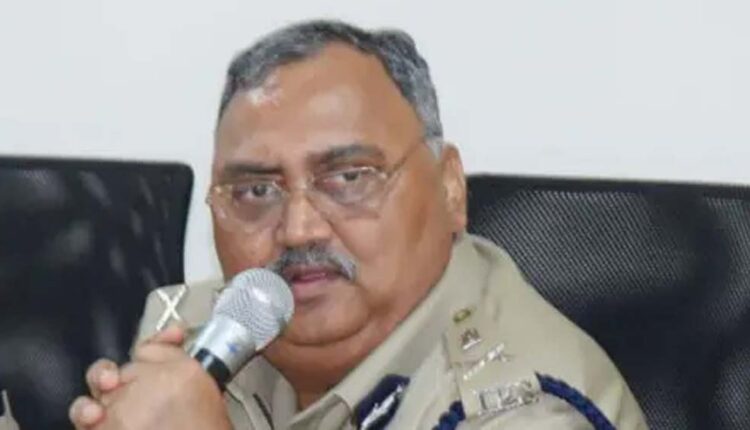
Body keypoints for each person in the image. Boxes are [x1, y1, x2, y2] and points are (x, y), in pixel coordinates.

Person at [65, 20, 648, 430]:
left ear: (449, 187)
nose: (298, 229)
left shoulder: (528, 412)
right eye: (256, 191)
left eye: (348, 178)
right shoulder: (203, 331)